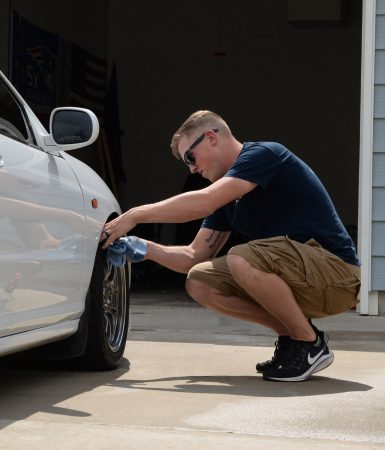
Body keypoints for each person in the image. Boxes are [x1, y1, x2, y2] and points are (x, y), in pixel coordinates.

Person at [102, 110, 361, 382]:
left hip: (337, 276)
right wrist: (145, 248)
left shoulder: (264, 154)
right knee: (200, 281)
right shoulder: (226, 196)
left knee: (241, 257)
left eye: (190, 157)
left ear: (211, 137)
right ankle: (293, 336)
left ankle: (309, 345)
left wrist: (135, 215)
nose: (191, 168)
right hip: (302, 278)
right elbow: (194, 256)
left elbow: (204, 201)